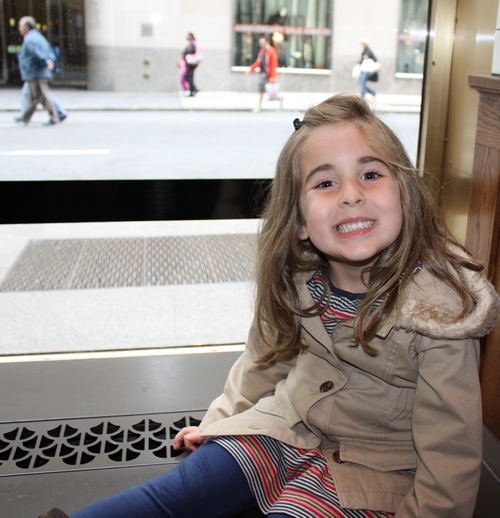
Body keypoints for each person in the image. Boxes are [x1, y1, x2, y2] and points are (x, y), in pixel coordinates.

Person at [38, 94, 499, 518]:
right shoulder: (298, 278)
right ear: (299, 222)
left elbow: (450, 459)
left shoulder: (441, 313)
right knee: (185, 490)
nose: (351, 194)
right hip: (283, 427)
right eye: (325, 182)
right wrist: (221, 423)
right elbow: (263, 359)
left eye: (371, 175)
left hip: (374, 473)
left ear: (405, 195)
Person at [16, 16, 60, 126]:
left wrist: (46, 61)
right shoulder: (37, 37)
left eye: (20, 26)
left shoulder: (31, 40)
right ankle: (25, 117)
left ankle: (55, 116)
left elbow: (37, 54)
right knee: (33, 97)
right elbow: (47, 52)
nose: (19, 29)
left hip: (36, 73)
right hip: (37, 72)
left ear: (27, 27)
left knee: (42, 96)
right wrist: (49, 60)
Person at [247, 36, 279, 110]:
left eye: (262, 43)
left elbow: (274, 64)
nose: (261, 44)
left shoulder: (271, 51)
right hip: (263, 73)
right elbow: (258, 62)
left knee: (270, 89)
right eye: (260, 43)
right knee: (262, 88)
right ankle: (260, 105)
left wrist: (273, 76)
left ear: (267, 42)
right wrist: (251, 69)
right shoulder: (262, 51)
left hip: (268, 73)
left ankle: (262, 105)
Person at [182, 32, 200, 97]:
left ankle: (194, 89)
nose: (187, 37)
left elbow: (192, 51)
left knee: (188, 76)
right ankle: (192, 90)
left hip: (191, 62)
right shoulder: (191, 43)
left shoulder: (192, 43)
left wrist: (185, 52)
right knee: (190, 77)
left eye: (188, 36)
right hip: (191, 62)